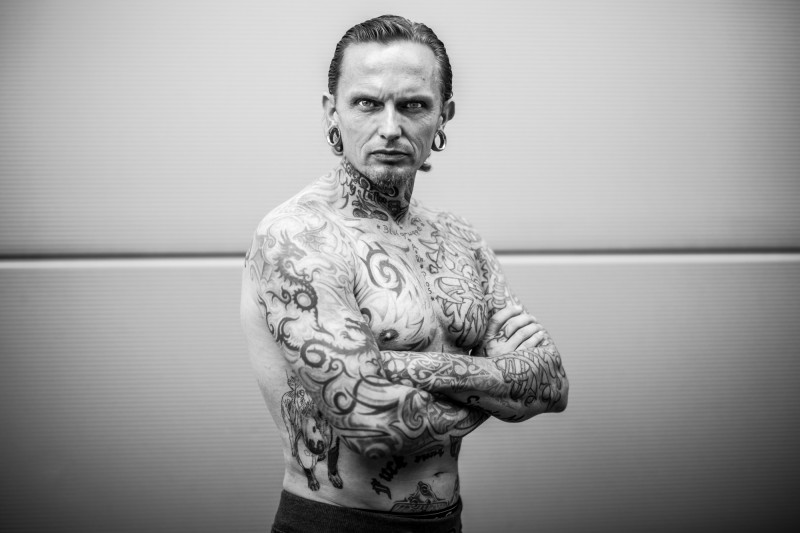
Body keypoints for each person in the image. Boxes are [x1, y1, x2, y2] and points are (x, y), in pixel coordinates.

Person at [240, 14, 568, 533]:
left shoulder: (459, 238)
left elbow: (551, 385)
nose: (390, 127)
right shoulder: (298, 236)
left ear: (443, 115)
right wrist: (502, 385)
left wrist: (395, 366)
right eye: (367, 103)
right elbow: (372, 424)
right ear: (332, 112)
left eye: (413, 105)